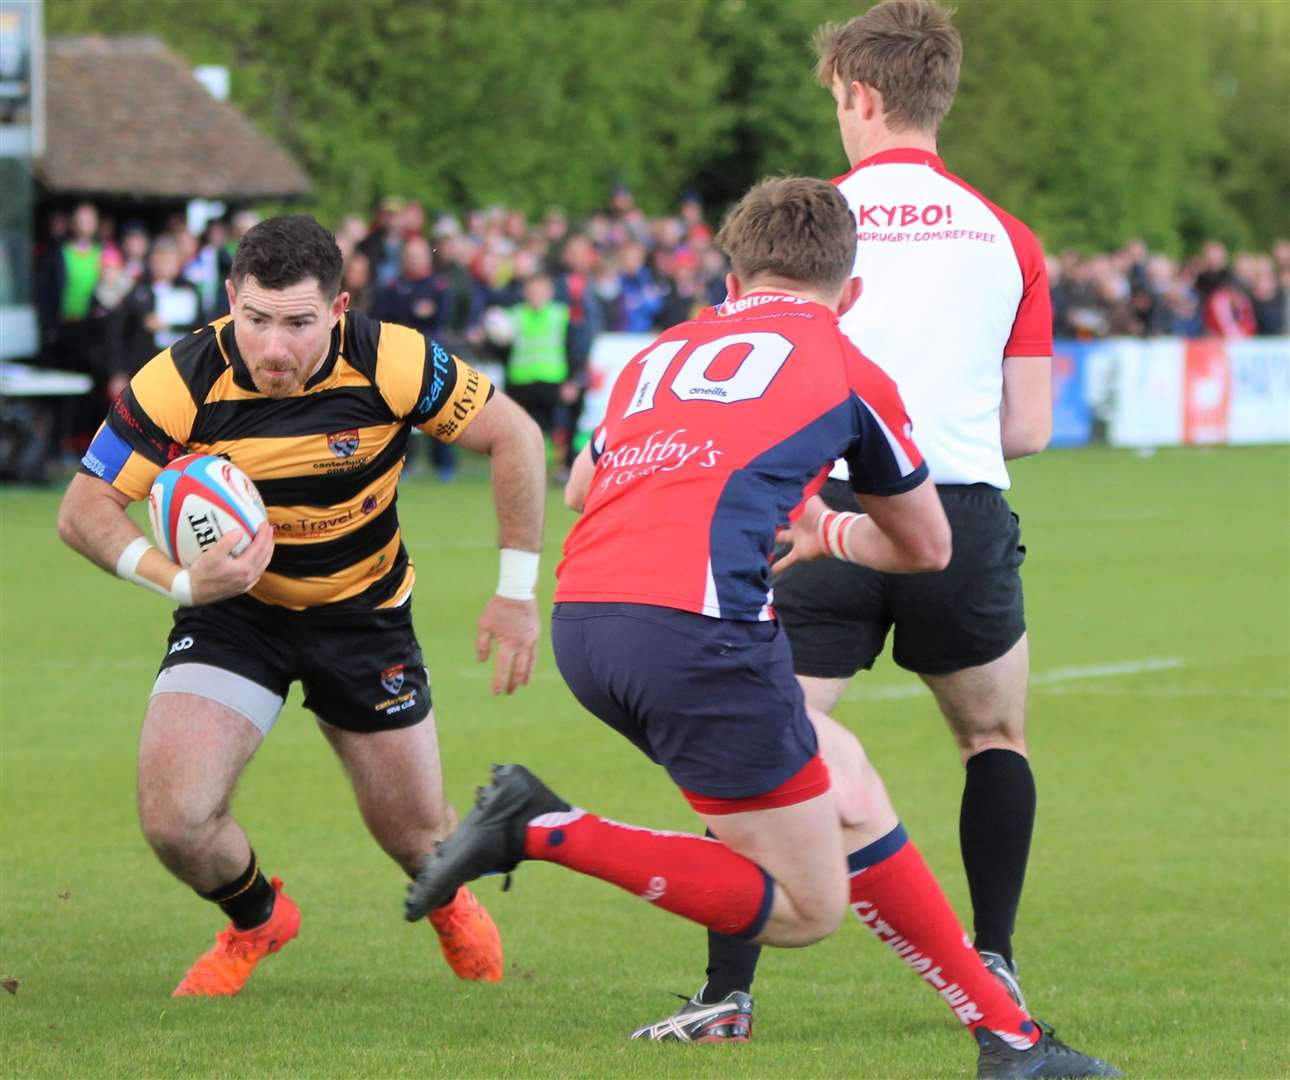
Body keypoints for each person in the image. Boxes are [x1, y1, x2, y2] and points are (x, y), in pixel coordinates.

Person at [403, 179, 1117, 1079]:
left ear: (731, 278)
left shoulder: (662, 350)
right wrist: (831, 531)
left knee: (848, 780)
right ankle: (542, 826)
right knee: (805, 909)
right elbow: (931, 545)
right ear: (851, 290)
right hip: (697, 632)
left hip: (588, 623)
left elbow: (584, 487)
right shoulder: (850, 365)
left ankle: (1007, 1039)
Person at [652, 0, 1064, 1040]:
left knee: (762, 748)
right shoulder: (1011, 238)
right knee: (993, 737)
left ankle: (725, 995)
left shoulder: (804, 227)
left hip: (817, 511)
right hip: (957, 517)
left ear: (863, 95)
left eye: (839, 97)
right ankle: (997, 964)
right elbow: (1030, 427)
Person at [57, 214, 546, 998]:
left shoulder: (392, 360)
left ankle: (447, 900)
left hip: (363, 614)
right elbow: (83, 509)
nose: (273, 347)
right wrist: (182, 583)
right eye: (255, 319)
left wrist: (516, 593)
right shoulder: (180, 379)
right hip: (234, 615)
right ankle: (257, 919)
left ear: (339, 309)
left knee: (419, 839)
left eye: (298, 323)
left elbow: (515, 436)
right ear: (229, 300)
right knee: (175, 821)